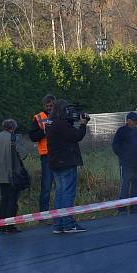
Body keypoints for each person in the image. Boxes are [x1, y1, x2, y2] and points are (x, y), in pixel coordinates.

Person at [46, 99, 90, 233]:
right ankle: (69, 223)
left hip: (54, 162)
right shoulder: (61, 124)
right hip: (66, 161)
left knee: (59, 193)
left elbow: (65, 134)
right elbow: (76, 136)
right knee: (67, 193)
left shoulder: (50, 123)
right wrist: (83, 124)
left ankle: (58, 224)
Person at [0, 119, 24, 233]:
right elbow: (23, 154)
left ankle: (1, 225)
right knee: (12, 200)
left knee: (4, 199)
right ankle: (10, 225)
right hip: (12, 174)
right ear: (13, 127)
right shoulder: (14, 138)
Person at [112, 111, 137, 214]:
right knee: (125, 185)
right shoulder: (121, 131)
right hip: (126, 164)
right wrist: (123, 156)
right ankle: (122, 208)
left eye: (136, 121)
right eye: (134, 121)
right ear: (128, 121)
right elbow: (115, 146)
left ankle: (135, 207)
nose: (136, 123)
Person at [28, 94, 56, 212]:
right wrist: (44, 131)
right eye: (47, 105)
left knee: (61, 185)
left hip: (60, 153)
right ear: (44, 105)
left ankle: (61, 212)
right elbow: (33, 136)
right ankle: (44, 213)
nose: (49, 107)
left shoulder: (60, 115)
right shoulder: (38, 117)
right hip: (46, 155)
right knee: (46, 186)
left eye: (51, 105)